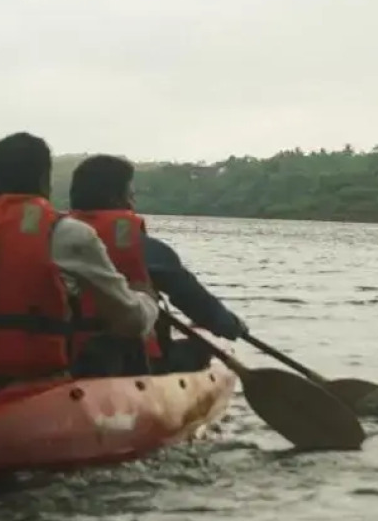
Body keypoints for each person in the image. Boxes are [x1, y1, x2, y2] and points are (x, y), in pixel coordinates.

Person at [0, 132, 158, 396]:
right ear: (43, 179)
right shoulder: (68, 233)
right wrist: (148, 301)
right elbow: (131, 321)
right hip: (40, 390)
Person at [67, 154, 248, 374]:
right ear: (118, 199)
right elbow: (194, 300)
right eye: (130, 194)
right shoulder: (145, 248)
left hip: (65, 357)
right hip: (129, 364)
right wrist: (231, 325)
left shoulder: (55, 237)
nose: (133, 202)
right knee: (202, 343)